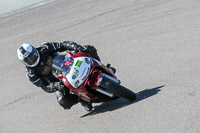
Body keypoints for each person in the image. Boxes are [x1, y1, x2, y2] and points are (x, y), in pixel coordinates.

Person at [17, 41, 109, 111]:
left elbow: (63, 45)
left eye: (31, 56)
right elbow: (44, 86)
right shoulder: (31, 73)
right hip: (59, 81)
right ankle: (81, 99)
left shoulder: (45, 48)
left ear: (34, 51)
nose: (31, 59)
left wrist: (75, 47)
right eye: (28, 59)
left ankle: (102, 66)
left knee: (88, 48)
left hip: (68, 63)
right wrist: (56, 86)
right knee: (63, 101)